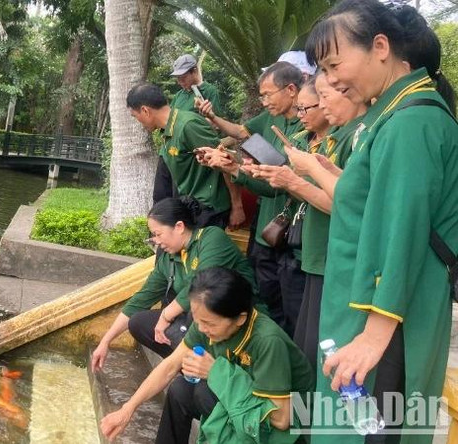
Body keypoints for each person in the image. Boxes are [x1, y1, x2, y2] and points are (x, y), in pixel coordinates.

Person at [304, 1, 458, 442]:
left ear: (380, 47)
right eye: (323, 70)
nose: (331, 81)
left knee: (372, 430)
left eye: (334, 65)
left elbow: (403, 231)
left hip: (388, 319)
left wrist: (373, 338)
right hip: (366, 305)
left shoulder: (411, 122)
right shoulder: (390, 117)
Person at [100, 267, 314, 444]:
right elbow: (169, 367)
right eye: (197, 319)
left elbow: (281, 418)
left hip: (291, 428)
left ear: (240, 319)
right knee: (181, 390)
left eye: (209, 323)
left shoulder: (268, 341)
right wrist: (127, 409)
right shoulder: (206, 323)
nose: (201, 329)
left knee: (203, 392)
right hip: (245, 401)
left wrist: (216, 372)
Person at [261, 73, 367, 369]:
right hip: (315, 254)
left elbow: (345, 204)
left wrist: (296, 180)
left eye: (322, 98)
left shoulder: (357, 135)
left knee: (324, 350)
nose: (301, 114)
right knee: (307, 343)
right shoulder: (337, 136)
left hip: (335, 256)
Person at [196, 62, 307, 336]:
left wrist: (235, 168)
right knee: (266, 296)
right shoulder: (270, 119)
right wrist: (217, 129)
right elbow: (240, 132)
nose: (264, 101)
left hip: (292, 234)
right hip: (265, 228)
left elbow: (275, 184)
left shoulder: (308, 129)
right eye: (261, 96)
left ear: (291, 90)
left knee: (292, 308)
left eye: (268, 94)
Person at [91, 197, 256, 371]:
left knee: (196, 310)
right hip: (202, 324)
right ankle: (188, 369)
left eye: (158, 234)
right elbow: (141, 299)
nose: (156, 241)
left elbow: (200, 286)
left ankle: (207, 369)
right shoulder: (169, 258)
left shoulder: (212, 238)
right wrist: (106, 341)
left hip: (236, 321)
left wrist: (166, 316)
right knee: (138, 322)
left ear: (179, 227)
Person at [127, 83, 240, 228]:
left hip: (209, 210)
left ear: (145, 110)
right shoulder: (167, 131)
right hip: (191, 208)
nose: (138, 122)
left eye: (135, 116)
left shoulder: (188, 125)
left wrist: (237, 207)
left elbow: (226, 163)